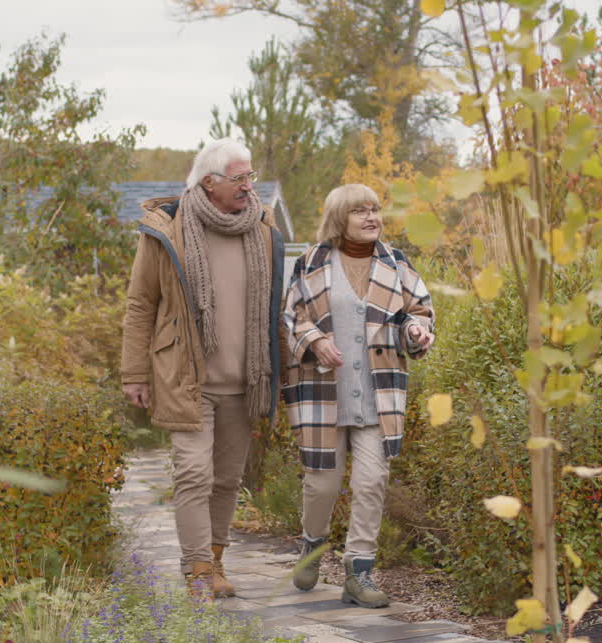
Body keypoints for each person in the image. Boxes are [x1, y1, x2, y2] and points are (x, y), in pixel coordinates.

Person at [120, 138, 285, 598]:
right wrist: (133, 373)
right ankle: (195, 570)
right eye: (240, 178)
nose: (250, 186)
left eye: (251, 176)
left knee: (228, 477)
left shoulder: (263, 229)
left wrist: (285, 370)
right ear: (209, 182)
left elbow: (277, 309)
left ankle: (215, 562)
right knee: (194, 472)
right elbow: (140, 305)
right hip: (186, 377)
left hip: (245, 380)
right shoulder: (168, 230)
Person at [282, 183, 435, 608]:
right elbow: (292, 315)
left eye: (375, 210)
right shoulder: (312, 262)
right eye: (360, 211)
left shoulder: (396, 263)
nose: (371, 218)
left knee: (372, 482)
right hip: (323, 392)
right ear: (339, 218)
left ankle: (359, 572)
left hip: (376, 392)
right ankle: (312, 546)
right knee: (322, 485)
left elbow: (418, 312)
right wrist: (314, 340)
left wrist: (416, 331)